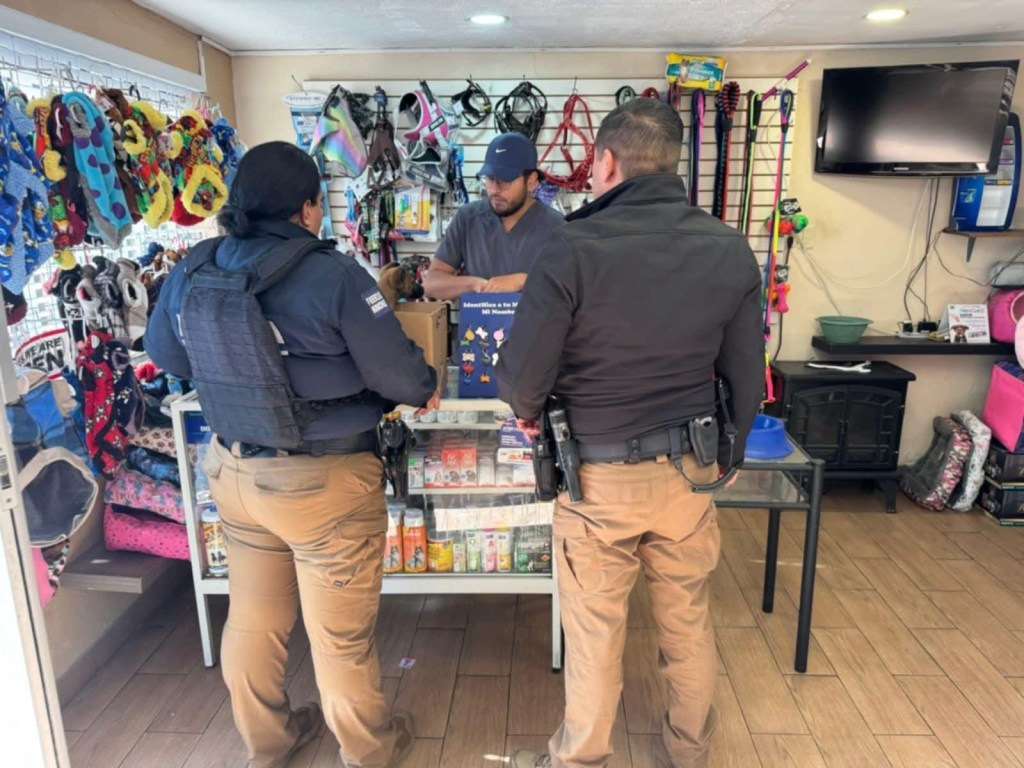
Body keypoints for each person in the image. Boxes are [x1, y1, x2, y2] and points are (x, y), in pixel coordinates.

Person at [145, 141, 438, 768]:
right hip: (324, 482)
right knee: (340, 639)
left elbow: (166, 355)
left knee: (253, 620)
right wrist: (424, 384)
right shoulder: (332, 275)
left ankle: (269, 745)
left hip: (234, 471)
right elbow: (401, 377)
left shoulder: (195, 266)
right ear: (307, 209)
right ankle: (369, 752)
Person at [495, 99, 764, 768]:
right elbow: (746, 375)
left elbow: (523, 378)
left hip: (598, 478)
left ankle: (581, 759)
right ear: (670, 162)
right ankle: (690, 750)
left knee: (594, 634)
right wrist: (728, 456)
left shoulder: (569, 246)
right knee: (687, 621)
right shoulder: (728, 247)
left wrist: (527, 408)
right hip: (690, 471)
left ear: (607, 162)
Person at [421, 132, 564, 300]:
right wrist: (477, 285)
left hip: (535, 318)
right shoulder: (468, 218)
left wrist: (524, 281)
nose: (494, 189)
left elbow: (572, 289)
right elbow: (431, 284)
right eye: (489, 179)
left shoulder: (557, 228)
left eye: (505, 180)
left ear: (531, 181)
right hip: (477, 318)